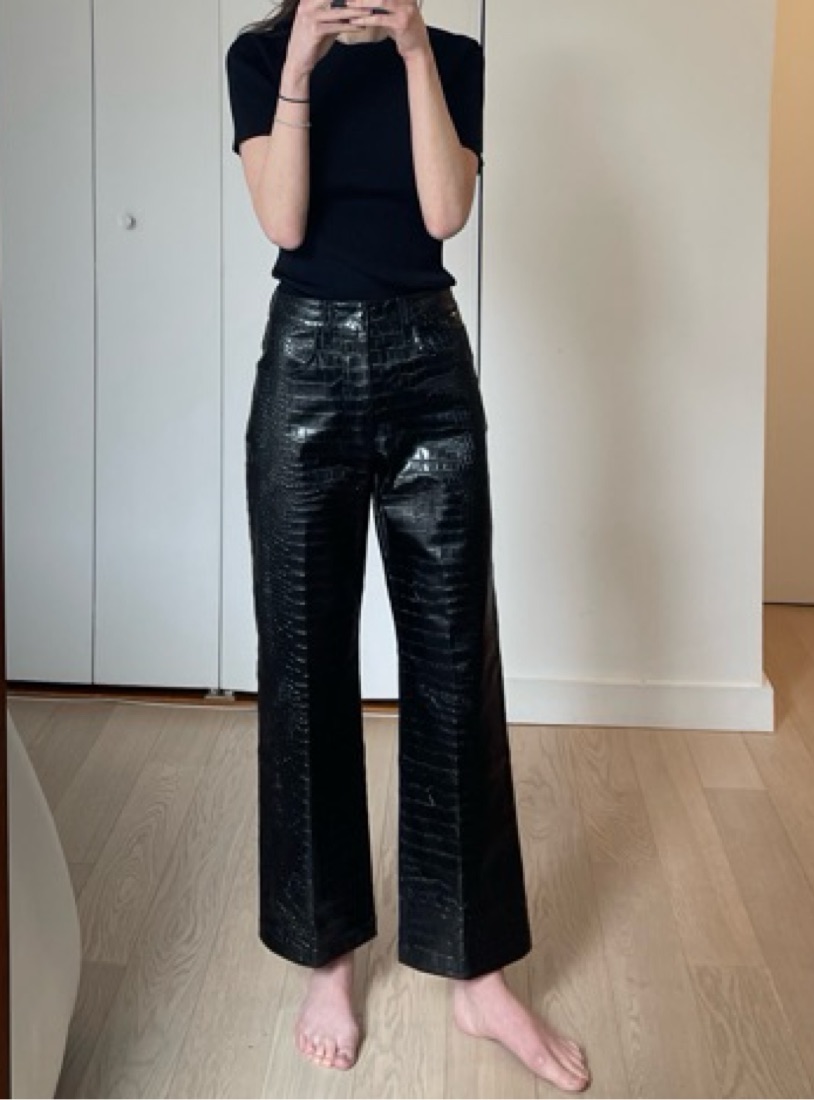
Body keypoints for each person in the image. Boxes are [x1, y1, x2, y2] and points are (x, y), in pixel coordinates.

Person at [225, 1, 591, 1091]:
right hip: (304, 378)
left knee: (453, 669)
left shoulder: (454, 57)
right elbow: (285, 223)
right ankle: (327, 959)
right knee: (305, 671)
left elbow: (446, 211)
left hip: (431, 371)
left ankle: (477, 973)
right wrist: (301, 61)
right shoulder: (259, 55)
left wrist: (418, 49)